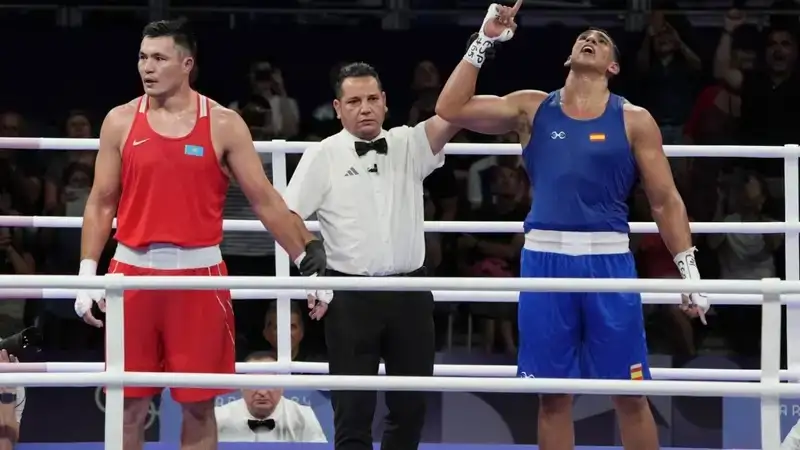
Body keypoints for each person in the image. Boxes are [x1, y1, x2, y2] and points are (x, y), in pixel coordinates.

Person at [435, 2, 709, 450]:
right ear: (569, 57)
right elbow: (450, 107)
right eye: (584, 37)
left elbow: (665, 200)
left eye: (602, 40)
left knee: (630, 394)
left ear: (613, 66)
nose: (591, 39)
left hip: (609, 261)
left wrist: (688, 270)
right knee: (552, 397)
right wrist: (484, 39)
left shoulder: (634, 120)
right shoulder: (532, 108)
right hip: (545, 262)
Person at [72, 19, 327, 450]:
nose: (147, 67)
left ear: (186, 64)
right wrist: (86, 273)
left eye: (159, 58)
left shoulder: (224, 124)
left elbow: (266, 200)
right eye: (142, 57)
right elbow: (100, 202)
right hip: (130, 276)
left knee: (198, 406)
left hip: (200, 280)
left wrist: (305, 261)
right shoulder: (119, 121)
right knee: (128, 405)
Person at [283, 62, 459, 450]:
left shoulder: (410, 143)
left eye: (372, 99)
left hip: (410, 293)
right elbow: (288, 215)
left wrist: (481, 46)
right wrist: (310, 258)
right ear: (337, 107)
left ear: (385, 102)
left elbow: (453, 113)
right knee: (352, 411)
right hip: (350, 297)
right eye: (354, 101)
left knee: (410, 408)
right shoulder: (323, 155)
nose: (364, 108)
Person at [215, 351, 327, 443]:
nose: (262, 392)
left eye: (269, 384)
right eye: (254, 384)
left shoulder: (303, 416)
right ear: (241, 387)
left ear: (282, 387)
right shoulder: (219, 417)